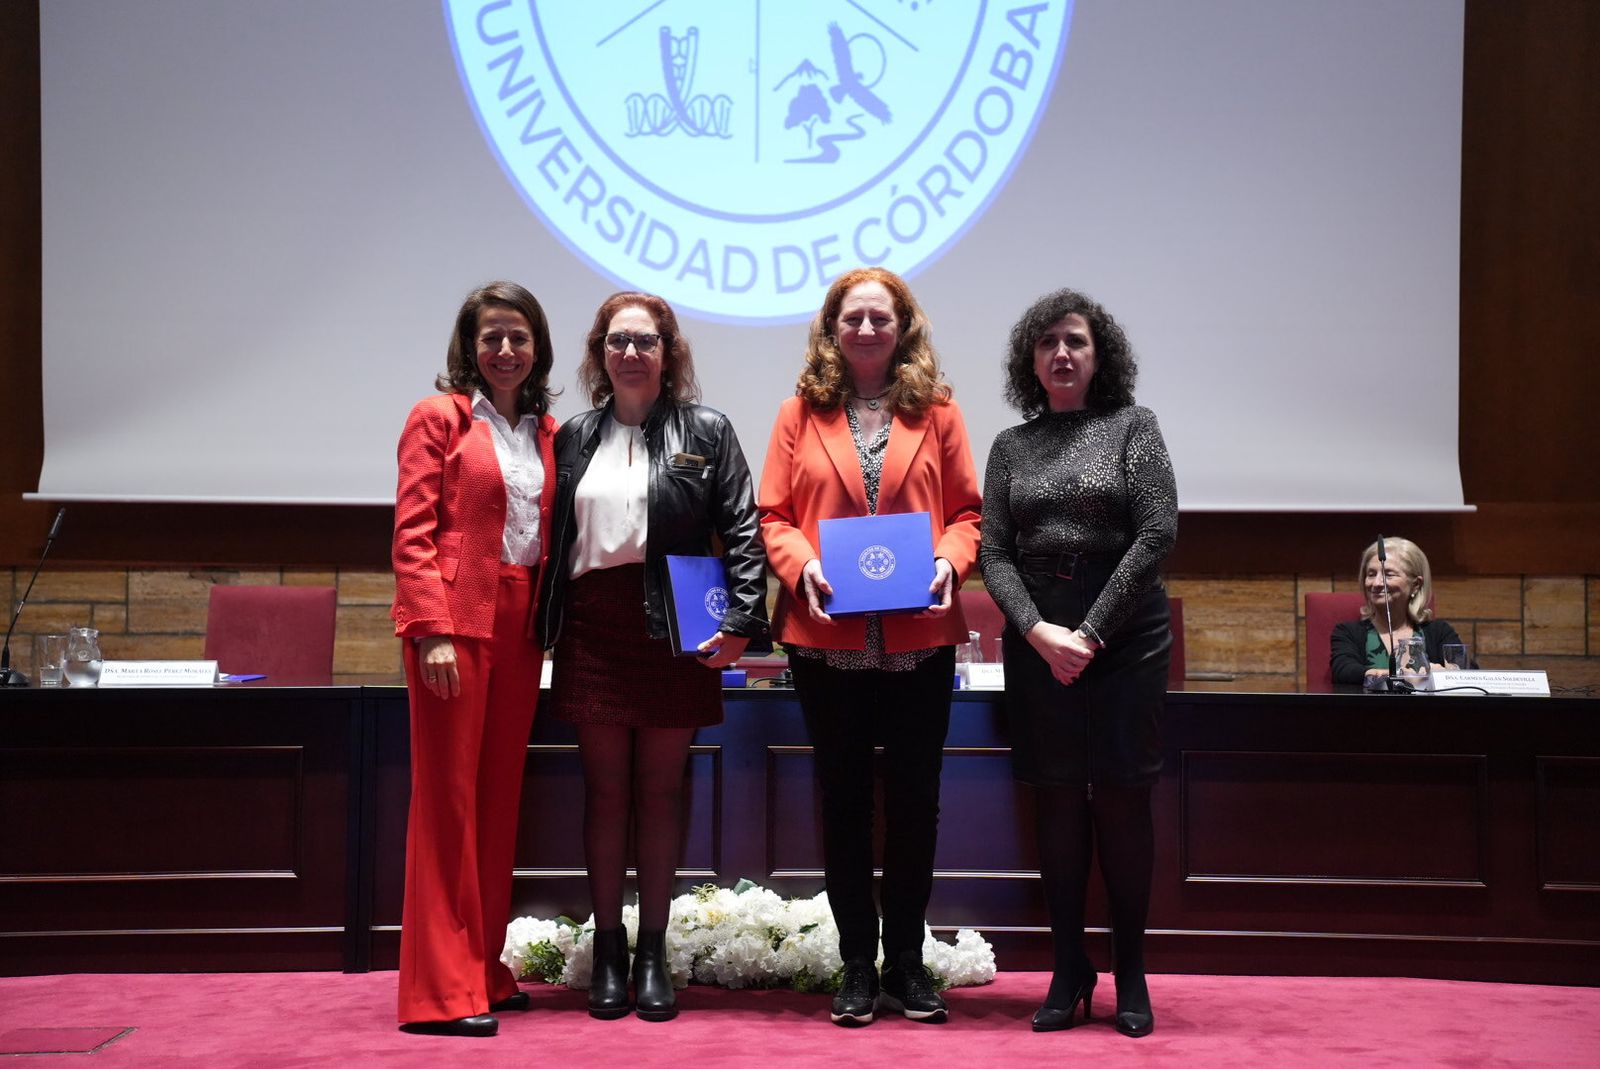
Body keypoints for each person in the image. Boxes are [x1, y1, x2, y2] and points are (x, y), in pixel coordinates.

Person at [758, 266, 982, 1027]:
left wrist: (950, 561)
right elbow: (773, 516)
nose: (865, 330)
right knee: (844, 802)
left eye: (879, 318)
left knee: (916, 803)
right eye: (851, 318)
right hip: (828, 640)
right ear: (831, 328)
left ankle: (907, 962)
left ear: (903, 328)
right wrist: (802, 566)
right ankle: (857, 962)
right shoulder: (798, 413)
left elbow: (968, 513)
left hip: (918, 640)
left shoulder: (939, 411)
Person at [537, 292, 767, 1022]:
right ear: (599, 354)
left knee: (661, 792)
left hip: (676, 626)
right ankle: (609, 951)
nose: (630, 352)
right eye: (617, 340)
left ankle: (653, 954)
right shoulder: (573, 436)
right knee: (605, 793)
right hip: (594, 629)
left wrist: (742, 619)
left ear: (668, 353)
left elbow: (744, 528)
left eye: (645, 340)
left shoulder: (709, 429)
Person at [978, 288, 1177, 1038]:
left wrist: (1089, 633)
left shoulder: (1134, 426)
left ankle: (1130, 972)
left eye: (1076, 341)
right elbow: (994, 552)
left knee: (1123, 798)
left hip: (1125, 634)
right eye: (1047, 343)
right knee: (1056, 800)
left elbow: (1157, 532)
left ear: (1100, 356)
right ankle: (1069, 970)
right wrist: (1038, 631)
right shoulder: (1010, 445)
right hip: (1038, 633)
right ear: (1030, 361)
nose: (1061, 353)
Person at [391, 281, 559, 1037]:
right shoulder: (438, 417)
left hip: (522, 625)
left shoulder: (545, 430)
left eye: (518, 336)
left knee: (497, 799)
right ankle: (439, 991)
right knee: (448, 801)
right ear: (469, 346)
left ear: (537, 348)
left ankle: (483, 968)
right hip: (453, 622)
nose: (505, 349)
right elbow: (412, 532)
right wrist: (429, 627)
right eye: (491, 336)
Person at [1330, 537, 1469, 685]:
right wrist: (1410, 675)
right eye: (1371, 574)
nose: (1376, 583)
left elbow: (1467, 673)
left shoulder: (1439, 632)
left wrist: (1447, 673)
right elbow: (1343, 671)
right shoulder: (1347, 632)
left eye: (1389, 574)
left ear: (1416, 585)